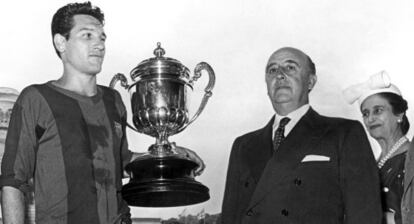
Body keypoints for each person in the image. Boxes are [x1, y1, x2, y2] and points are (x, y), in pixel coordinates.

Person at [0, 2, 204, 224]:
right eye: (87, 35)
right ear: (61, 43)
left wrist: (170, 155)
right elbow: (13, 180)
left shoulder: (113, 101)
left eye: (102, 38)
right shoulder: (36, 99)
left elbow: (121, 164)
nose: (99, 44)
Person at [221, 47, 382, 223]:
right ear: (267, 85)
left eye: (290, 67)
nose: (279, 75)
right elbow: (230, 216)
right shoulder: (243, 145)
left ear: (310, 82)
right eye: (272, 70)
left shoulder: (344, 133)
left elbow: (365, 215)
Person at [344, 72, 413, 224]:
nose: (370, 119)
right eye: (365, 113)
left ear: (399, 114)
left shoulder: (410, 159)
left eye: (378, 110)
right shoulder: (373, 163)